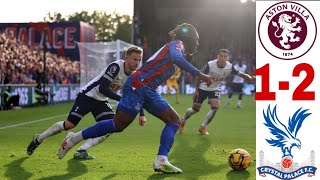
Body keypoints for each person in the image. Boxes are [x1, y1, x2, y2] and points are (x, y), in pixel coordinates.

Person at [57, 23, 214, 173]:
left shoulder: (176, 47)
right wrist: (200, 74)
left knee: (170, 121)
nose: (198, 44)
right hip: (138, 85)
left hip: (146, 88)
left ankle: (161, 160)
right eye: (197, 40)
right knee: (119, 125)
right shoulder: (177, 44)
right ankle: (73, 139)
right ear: (189, 38)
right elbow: (176, 57)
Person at [27, 47, 145, 160]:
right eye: (135, 59)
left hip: (101, 101)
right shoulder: (116, 67)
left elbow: (136, 95)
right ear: (127, 57)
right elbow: (102, 88)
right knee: (69, 125)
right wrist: (121, 99)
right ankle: (39, 139)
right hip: (88, 96)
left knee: (112, 126)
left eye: (139, 60)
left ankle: (81, 150)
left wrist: (141, 113)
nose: (137, 63)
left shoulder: (133, 76)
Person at [179, 49, 254, 135]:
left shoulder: (229, 67)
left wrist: (251, 78)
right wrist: (196, 90)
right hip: (202, 88)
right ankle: (183, 121)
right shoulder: (210, 65)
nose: (223, 58)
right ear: (217, 57)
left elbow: (241, 74)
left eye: (225, 56)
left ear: (228, 58)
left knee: (215, 108)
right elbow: (198, 76)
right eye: (221, 56)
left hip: (215, 88)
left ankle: (202, 127)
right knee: (195, 110)